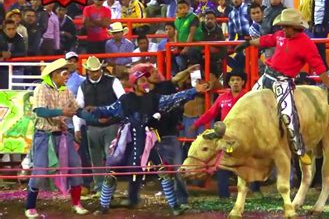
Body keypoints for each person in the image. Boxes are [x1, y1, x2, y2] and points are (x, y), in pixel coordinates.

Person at [91, 69, 209, 215]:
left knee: (163, 172)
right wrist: (94, 110)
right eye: (141, 80)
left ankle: (175, 207)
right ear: (134, 84)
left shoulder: (154, 98)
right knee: (111, 173)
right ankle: (103, 206)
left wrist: (193, 91)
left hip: (147, 142)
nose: (145, 83)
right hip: (127, 142)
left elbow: (174, 98)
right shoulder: (125, 100)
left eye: (146, 80)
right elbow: (109, 110)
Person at [235, 8, 329, 164]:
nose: (282, 29)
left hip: (283, 81)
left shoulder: (307, 44)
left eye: (285, 26)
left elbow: (319, 66)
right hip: (267, 76)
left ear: (294, 27)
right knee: (247, 102)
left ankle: (300, 149)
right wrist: (248, 43)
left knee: (288, 114)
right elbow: (266, 40)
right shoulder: (281, 36)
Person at [24, 58, 96, 218]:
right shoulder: (41, 89)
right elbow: (40, 111)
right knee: (40, 170)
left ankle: (76, 203)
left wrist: (96, 118)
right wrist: (62, 112)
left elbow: (77, 110)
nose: (67, 77)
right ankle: (30, 206)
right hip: (44, 135)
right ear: (55, 74)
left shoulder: (66, 91)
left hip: (63, 135)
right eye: (64, 73)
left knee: (76, 165)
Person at [190, 70, 247, 198]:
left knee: (246, 163)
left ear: (243, 82)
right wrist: (196, 124)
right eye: (232, 80)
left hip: (244, 136)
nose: (235, 82)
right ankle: (223, 195)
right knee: (222, 165)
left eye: (238, 80)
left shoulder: (248, 97)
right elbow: (211, 113)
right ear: (229, 83)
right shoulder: (222, 98)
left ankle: (253, 191)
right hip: (225, 136)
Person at [73, 56, 126, 194]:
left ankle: (109, 189)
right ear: (88, 71)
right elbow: (78, 108)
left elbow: (123, 101)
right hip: (93, 127)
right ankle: (99, 187)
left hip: (111, 125)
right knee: (95, 158)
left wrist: (110, 115)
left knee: (110, 158)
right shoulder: (83, 86)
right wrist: (78, 127)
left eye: (97, 70)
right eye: (93, 71)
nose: (95, 73)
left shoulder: (113, 81)